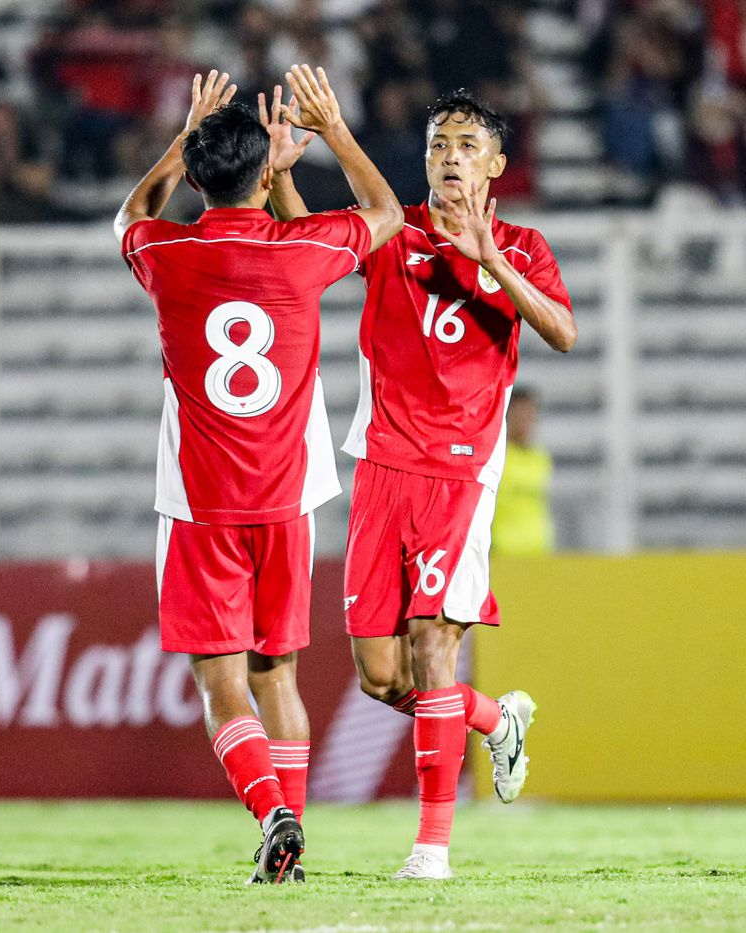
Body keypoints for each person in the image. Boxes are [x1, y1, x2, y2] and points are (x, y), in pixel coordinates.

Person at [271, 89, 577, 880]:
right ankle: (494, 719)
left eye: (469, 144)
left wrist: (491, 257)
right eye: (441, 142)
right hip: (379, 469)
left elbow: (565, 333)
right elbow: (307, 240)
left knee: (434, 646)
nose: (451, 156)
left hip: (459, 475)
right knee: (382, 676)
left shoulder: (524, 243)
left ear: (497, 164)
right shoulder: (393, 227)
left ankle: (431, 850)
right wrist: (277, 174)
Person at [116, 66, 402, 883]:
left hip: (199, 503)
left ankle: (271, 812)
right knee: (279, 672)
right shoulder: (302, 250)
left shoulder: (165, 253)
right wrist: (330, 137)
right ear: (266, 176)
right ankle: (292, 838)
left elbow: (129, 214)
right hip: (288, 500)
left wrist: (180, 140)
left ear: (200, 175)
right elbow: (382, 215)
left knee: (220, 681)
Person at [491, 387, 554, 556]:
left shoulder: (540, 458)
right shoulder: (495, 457)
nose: (525, 422)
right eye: (519, 416)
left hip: (538, 554)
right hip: (501, 555)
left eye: (529, 416)